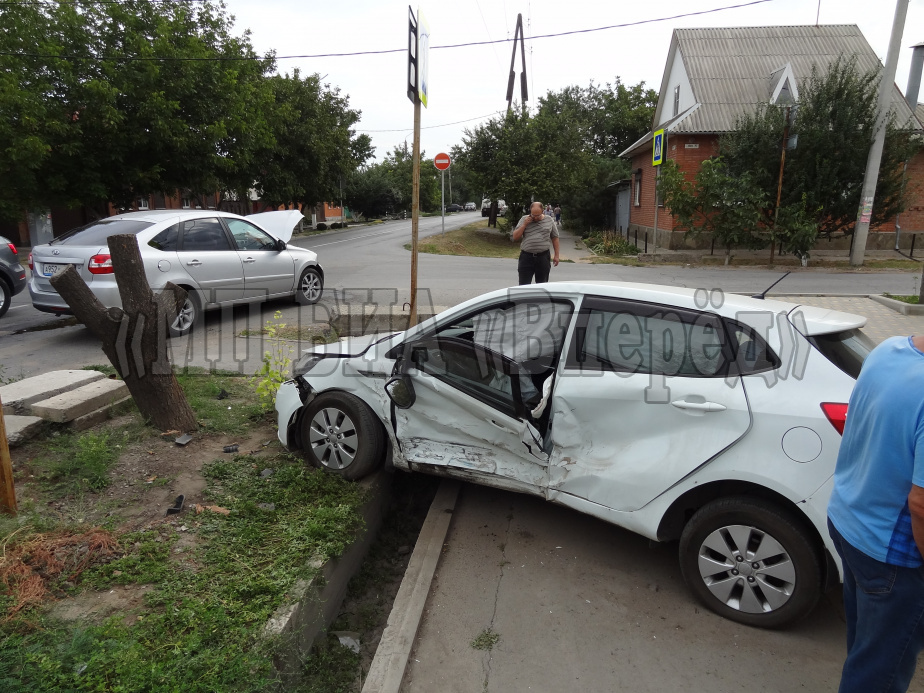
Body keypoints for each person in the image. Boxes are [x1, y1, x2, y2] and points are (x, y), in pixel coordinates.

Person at [827, 334, 924, 693]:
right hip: (894, 556)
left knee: (866, 651)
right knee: (879, 674)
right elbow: (921, 504)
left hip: (848, 522)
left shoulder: (888, 349)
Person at [511, 201, 560, 285]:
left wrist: (556, 255)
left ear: (542, 211)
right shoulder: (524, 219)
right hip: (526, 257)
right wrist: (524, 224)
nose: (535, 218)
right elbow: (515, 237)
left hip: (543, 257)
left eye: (538, 215)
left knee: (542, 285)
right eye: (533, 215)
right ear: (530, 211)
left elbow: (555, 238)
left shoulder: (549, 220)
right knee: (523, 285)